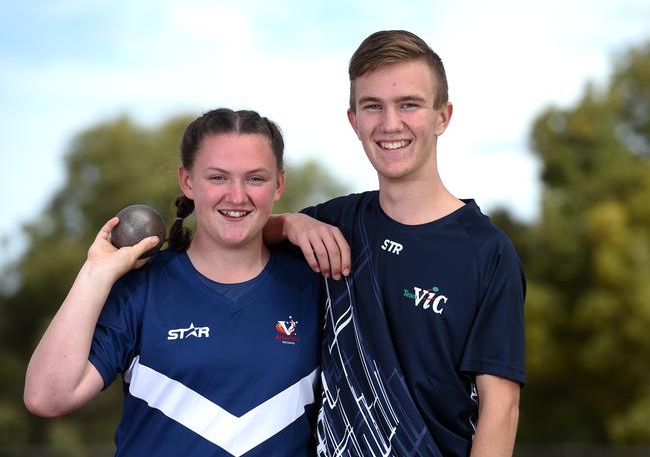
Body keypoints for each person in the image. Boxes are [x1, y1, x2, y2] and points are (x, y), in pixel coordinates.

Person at [266, 30, 526, 456]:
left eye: (409, 104)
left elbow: (502, 408)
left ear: (443, 116)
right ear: (354, 121)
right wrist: (289, 224)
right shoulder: (335, 223)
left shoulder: (487, 252)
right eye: (373, 106)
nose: (390, 124)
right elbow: (228, 239)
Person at [24, 108, 322, 456]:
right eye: (218, 178)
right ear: (188, 181)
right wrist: (96, 274)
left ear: (279, 185)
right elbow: (47, 397)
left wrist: (292, 223)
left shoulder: (312, 287)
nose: (237, 196)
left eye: (255, 178)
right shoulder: (142, 288)